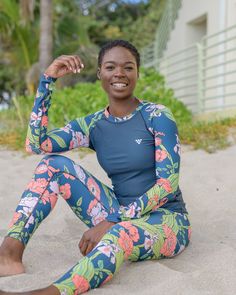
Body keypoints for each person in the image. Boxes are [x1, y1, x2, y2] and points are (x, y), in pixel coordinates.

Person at [0, 39, 191, 295]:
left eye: (128, 67)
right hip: (118, 211)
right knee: (52, 165)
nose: (119, 74)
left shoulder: (157, 116)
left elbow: (167, 187)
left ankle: (47, 293)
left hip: (166, 220)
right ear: (100, 73)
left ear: (137, 73)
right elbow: (36, 145)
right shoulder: (93, 125)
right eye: (111, 67)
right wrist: (47, 81)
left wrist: (112, 221)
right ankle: (9, 256)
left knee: (118, 234)